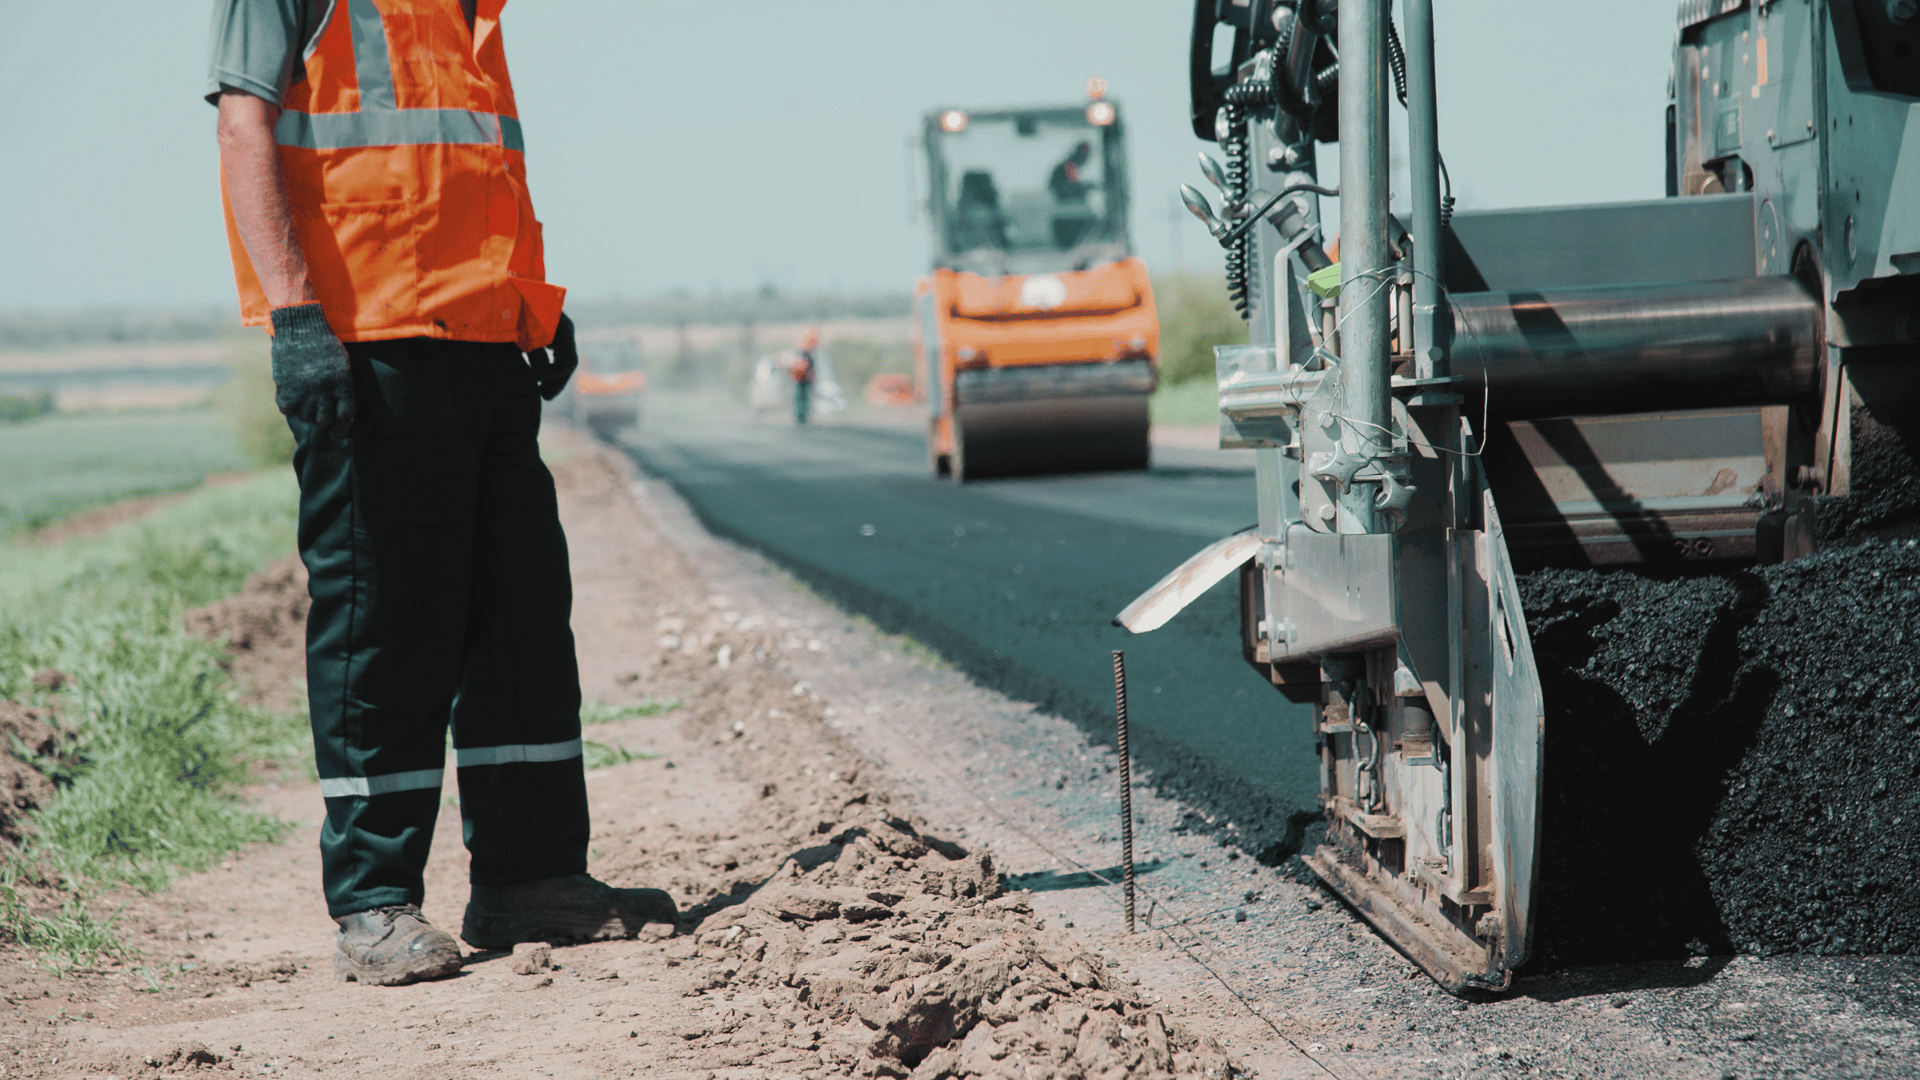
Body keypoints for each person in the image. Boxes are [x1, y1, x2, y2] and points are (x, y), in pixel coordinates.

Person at [207, 0, 676, 987]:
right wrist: (294, 311)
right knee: (383, 621)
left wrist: (533, 296)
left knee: (522, 618)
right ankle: (375, 902)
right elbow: (243, 123)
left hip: (485, 342)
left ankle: (532, 879)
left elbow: (480, 163)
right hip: (364, 339)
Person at [789, 329, 819, 425]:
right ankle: (801, 417)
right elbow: (809, 368)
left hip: (802, 379)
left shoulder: (804, 354)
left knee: (802, 398)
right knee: (802, 398)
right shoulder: (805, 355)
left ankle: (801, 417)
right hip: (802, 379)